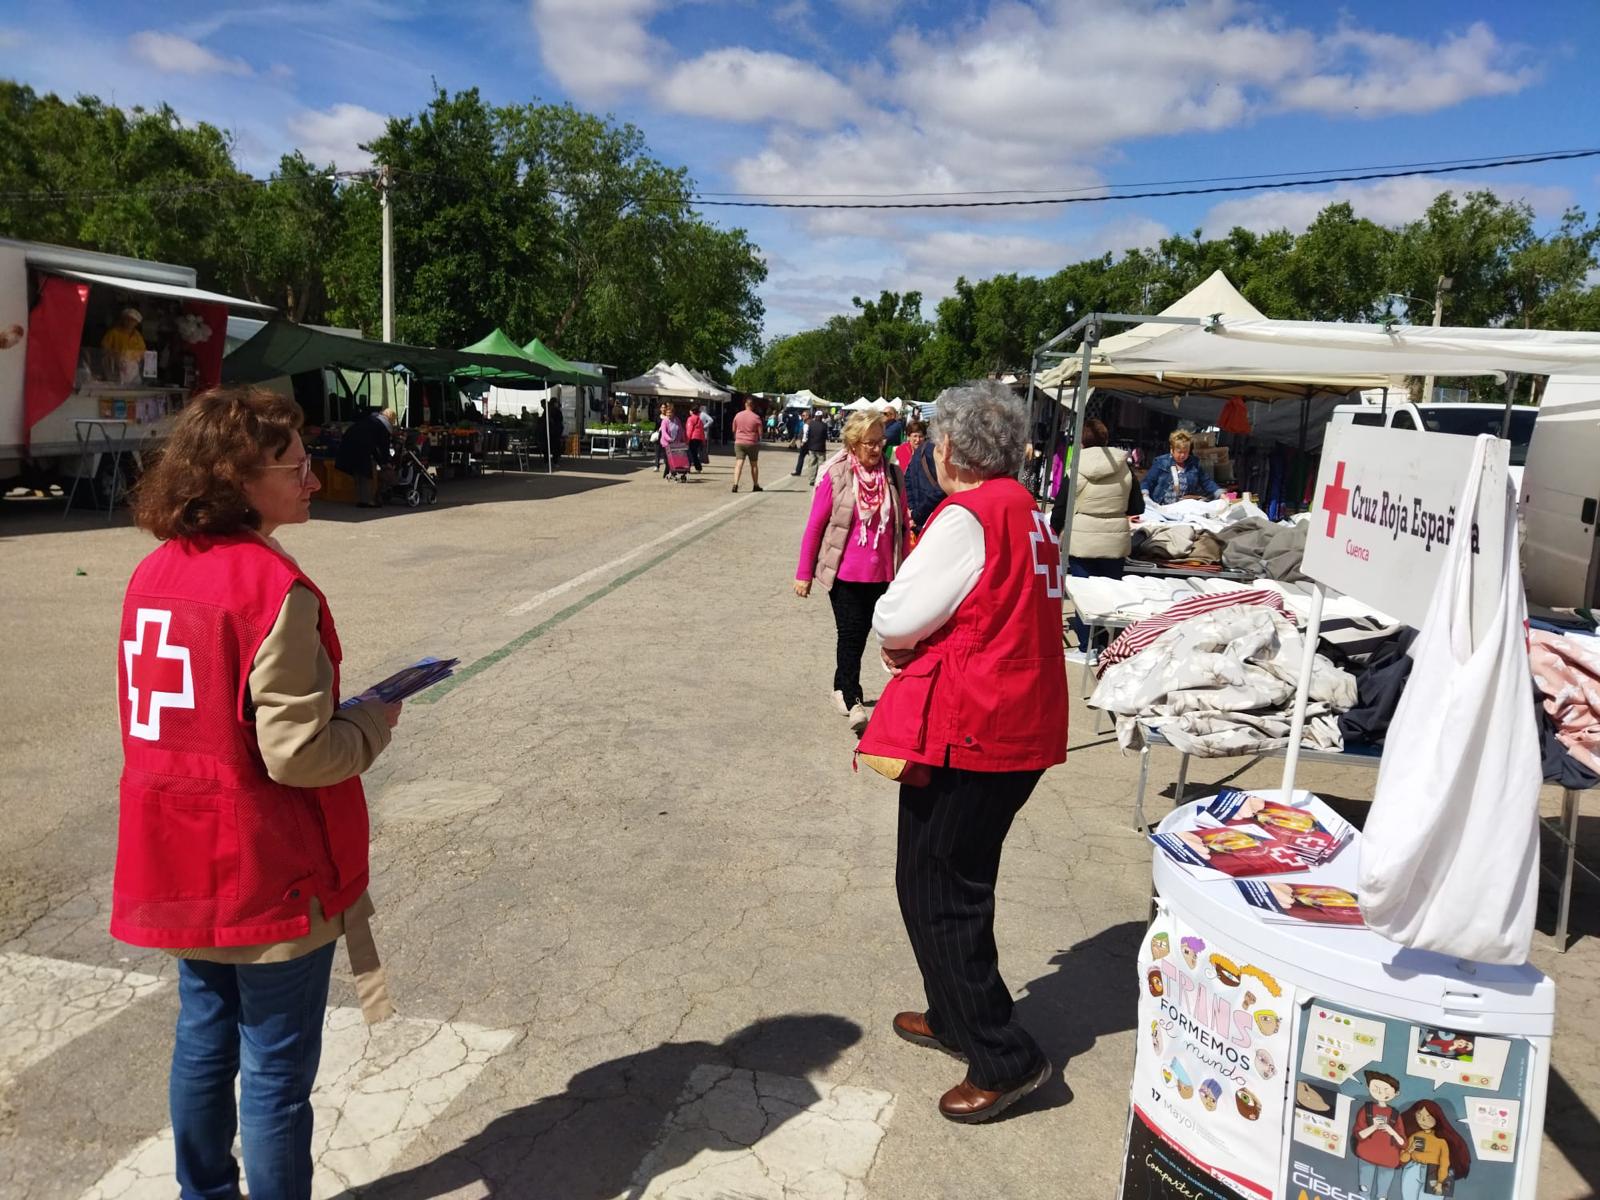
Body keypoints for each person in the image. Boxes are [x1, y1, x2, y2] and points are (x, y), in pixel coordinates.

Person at [116, 386, 401, 1200]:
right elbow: (298, 755)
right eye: (297, 465)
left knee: (204, 1041)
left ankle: (202, 1193)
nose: (314, 479)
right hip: (266, 869)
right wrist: (372, 723)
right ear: (239, 480)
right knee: (275, 1076)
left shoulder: (154, 570)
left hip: (178, 854)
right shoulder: (273, 589)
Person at [856, 379, 1067, 1124]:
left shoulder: (969, 514)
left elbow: (899, 610)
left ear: (946, 449)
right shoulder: (1027, 512)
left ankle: (1004, 1053)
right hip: (1017, 720)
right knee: (943, 878)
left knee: (943, 892)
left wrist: (901, 640)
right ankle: (954, 1014)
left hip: (978, 725)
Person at [793, 411, 909, 733]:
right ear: (853, 444)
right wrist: (804, 573)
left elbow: (903, 527)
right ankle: (851, 696)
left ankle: (840, 689)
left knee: (877, 634)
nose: (876, 449)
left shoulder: (893, 476)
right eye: (869, 443)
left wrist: (908, 570)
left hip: (884, 572)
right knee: (851, 634)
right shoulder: (837, 475)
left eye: (880, 442)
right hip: (845, 574)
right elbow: (815, 526)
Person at [1050, 418, 1139, 654]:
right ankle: (1107, 644)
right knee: (1111, 595)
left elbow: (1061, 507)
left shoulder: (1076, 467)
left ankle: (1085, 644)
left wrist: (1053, 529)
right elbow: (1136, 506)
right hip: (1114, 539)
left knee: (1083, 594)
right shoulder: (1124, 467)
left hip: (1082, 538)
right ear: (1106, 439)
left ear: (1081, 441)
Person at [1397, 1099, 1471, 1199]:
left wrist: (1440, 1182)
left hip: (1434, 1171)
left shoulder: (1441, 1141)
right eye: (1419, 1116)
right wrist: (1409, 1150)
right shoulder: (1414, 1136)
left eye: (1428, 1116)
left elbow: (1444, 1163)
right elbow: (1403, 1159)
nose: (1423, 1120)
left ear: (1437, 1117)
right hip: (1412, 1168)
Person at [1352, 1071, 1407, 1200]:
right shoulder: (1366, 1109)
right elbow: (1359, 1135)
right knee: (1363, 1192)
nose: (1380, 1092)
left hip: (1388, 1161)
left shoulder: (1395, 1114)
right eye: (1376, 1088)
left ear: (1396, 1093)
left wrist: (1391, 1130)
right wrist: (1374, 1127)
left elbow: (1403, 1143)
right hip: (1366, 1157)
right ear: (1368, 1087)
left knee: (1382, 1196)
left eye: (1386, 1089)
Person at [334, 407, 396, 508]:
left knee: (358, 473)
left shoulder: (371, 421)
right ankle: (367, 501)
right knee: (365, 474)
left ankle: (361, 499)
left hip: (348, 442)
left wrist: (381, 462)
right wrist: (386, 462)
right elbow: (383, 448)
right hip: (360, 447)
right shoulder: (383, 427)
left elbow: (373, 447)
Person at [1141, 429, 1223, 505]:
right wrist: (1144, 494)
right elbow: (1148, 481)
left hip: (1182, 506)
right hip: (1161, 505)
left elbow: (1206, 481)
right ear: (1172, 450)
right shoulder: (1161, 462)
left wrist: (1220, 493)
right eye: (1179, 452)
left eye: (1186, 452)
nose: (1182, 455)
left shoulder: (1194, 463)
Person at [100, 306, 147, 382]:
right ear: (123, 320)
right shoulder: (114, 332)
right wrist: (115, 357)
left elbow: (142, 352)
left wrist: (133, 359)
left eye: (133, 321)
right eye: (127, 319)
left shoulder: (138, 336)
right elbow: (104, 349)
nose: (130, 322)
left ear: (136, 323)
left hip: (132, 370)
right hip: (115, 367)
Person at [731, 397, 764, 493]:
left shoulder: (738, 415)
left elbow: (733, 429)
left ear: (745, 404)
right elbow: (760, 433)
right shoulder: (756, 417)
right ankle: (755, 485)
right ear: (753, 406)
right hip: (752, 443)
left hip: (739, 442)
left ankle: (735, 484)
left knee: (739, 463)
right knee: (753, 464)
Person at [793, 409, 830, 484]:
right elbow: (826, 436)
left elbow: (807, 434)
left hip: (812, 447)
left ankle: (812, 479)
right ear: (821, 417)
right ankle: (820, 479)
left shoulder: (811, 424)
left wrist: (805, 442)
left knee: (812, 464)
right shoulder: (824, 425)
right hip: (821, 448)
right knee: (821, 464)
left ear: (815, 416)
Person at [659, 401, 690, 482]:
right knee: (668, 460)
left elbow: (681, 430)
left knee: (676, 459)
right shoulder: (664, 421)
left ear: (673, 413)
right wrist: (669, 439)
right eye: (667, 413)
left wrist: (684, 439)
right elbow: (664, 432)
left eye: (670, 413)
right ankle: (668, 474)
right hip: (666, 443)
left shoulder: (677, 420)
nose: (669, 414)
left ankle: (673, 473)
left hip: (676, 444)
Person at [685, 406, 707, 473]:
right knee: (694, 453)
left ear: (691, 411)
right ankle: (698, 467)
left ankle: (689, 468)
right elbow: (702, 431)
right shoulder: (699, 420)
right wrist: (703, 441)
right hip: (699, 438)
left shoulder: (690, 419)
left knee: (690, 454)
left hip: (692, 438)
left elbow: (689, 430)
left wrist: (687, 440)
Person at [548, 397, 565, 467]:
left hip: (554, 430)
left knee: (555, 446)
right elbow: (559, 420)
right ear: (554, 403)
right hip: (556, 430)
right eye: (557, 402)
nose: (558, 404)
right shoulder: (555, 411)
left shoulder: (551, 410)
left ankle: (555, 460)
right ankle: (555, 461)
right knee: (556, 446)